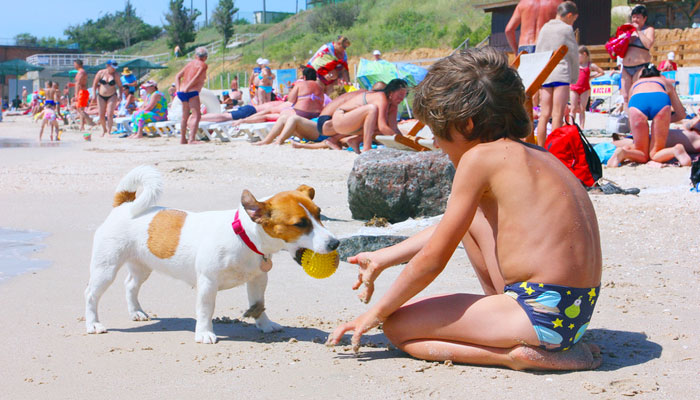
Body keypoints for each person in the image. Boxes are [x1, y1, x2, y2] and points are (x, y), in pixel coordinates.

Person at [327, 47, 603, 371]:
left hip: (535, 314)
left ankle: (514, 355)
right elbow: (454, 227)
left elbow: (433, 260)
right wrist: (385, 257)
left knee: (397, 328)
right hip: (574, 313)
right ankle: (521, 332)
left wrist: (378, 312)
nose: (439, 146)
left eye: (438, 134)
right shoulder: (537, 155)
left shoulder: (478, 159)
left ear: (467, 126)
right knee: (469, 220)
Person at [607, 64, 690, 167]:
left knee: (642, 153)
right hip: (660, 99)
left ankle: (623, 153)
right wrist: (663, 122)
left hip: (637, 102)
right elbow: (681, 113)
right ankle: (675, 150)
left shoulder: (635, 84)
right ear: (658, 75)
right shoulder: (665, 82)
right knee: (654, 154)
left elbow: (628, 113)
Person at [534, 1, 579, 147]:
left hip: (545, 74)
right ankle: (554, 149)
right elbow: (573, 54)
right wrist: (574, 77)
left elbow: (538, 51)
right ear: (569, 15)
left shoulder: (544, 28)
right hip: (561, 73)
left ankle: (540, 147)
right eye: (573, 19)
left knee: (544, 114)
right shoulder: (566, 29)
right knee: (557, 114)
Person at [331, 78, 408, 153]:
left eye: (404, 96)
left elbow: (394, 128)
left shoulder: (393, 105)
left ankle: (355, 141)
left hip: (351, 124)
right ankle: (367, 147)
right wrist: (401, 141)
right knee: (372, 109)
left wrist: (406, 143)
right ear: (391, 92)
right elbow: (382, 127)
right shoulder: (381, 97)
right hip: (340, 119)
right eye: (400, 95)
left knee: (385, 127)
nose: (401, 99)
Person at [620, 5, 655, 108]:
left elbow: (648, 44)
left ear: (644, 18)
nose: (635, 20)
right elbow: (619, 46)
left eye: (638, 17)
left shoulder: (648, 30)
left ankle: (637, 119)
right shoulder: (628, 29)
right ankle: (628, 120)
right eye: (634, 17)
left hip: (640, 66)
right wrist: (625, 33)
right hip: (626, 67)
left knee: (636, 94)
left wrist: (638, 31)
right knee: (625, 96)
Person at [175, 46, 209, 144]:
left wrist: (178, 89)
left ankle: (182, 139)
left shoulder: (189, 64)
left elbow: (177, 76)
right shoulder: (203, 65)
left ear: (195, 55)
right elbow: (196, 77)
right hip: (191, 91)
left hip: (181, 91)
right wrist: (188, 87)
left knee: (184, 116)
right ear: (205, 57)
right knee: (196, 115)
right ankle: (191, 139)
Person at [570, 46, 604, 129]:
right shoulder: (575, 64)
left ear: (584, 54)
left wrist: (591, 77)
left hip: (585, 88)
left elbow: (602, 72)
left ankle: (582, 127)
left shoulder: (590, 65)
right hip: (574, 87)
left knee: (582, 109)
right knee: (573, 108)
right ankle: (571, 125)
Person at [91, 59, 123, 138]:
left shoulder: (115, 75)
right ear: (107, 66)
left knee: (109, 114)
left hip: (112, 95)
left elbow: (120, 86)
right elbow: (94, 85)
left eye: (115, 67)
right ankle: (104, 130)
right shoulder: (101, 73)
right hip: (101, 96)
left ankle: (109, 131)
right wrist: (94, 94)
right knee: (101, 115)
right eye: (112, 67)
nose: (114, 69)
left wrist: (120, 95)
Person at [73, 59, 91, 132]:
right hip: (82, 91)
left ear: (78, 64)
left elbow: (78, 83)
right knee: (80, 109)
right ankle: (82, 126)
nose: (74, 66)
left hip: (81, 92)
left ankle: (91, 122)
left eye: (75, 64)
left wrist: (76, 94)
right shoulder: (81, 72)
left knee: (80, 109)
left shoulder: (81, 72)